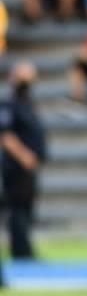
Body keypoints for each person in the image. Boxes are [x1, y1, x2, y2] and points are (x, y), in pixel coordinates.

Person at [0, 62, 47, 260]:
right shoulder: (9, 104)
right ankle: (20, 251)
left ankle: (25, 247)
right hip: (15, 165)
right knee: (17, 207)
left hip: (29, 166)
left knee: (26, 207)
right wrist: (23, 155)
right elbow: (6, 134)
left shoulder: (28, 103)